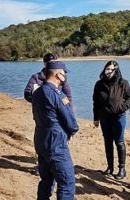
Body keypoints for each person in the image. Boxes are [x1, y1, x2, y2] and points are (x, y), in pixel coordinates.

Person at [32, 61, 79, 200]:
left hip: (41, 138)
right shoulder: (56, 93)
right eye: (64, 73)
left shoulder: (38, 91)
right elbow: (69, 120)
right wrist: (73, 130)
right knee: (67, 183)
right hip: (55, 141)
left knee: (46, 180)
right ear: (58, 75)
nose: (65, 76)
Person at [24, 53, 73, 175]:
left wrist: (69, 112)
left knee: (61, 141)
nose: (50, 63)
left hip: (60, 115)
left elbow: (68, 95)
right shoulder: (36, 77)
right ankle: (40, 166)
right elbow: (27, 94)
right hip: (42, 116)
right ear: (44, 63)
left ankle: (59, 166)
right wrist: (40, 99)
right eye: (48, 61)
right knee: (42, 140)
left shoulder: (61, 77)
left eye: (53, 61)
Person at [92, 60, 130, 179]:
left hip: (119, 117)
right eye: (107, 69)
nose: (108, 71)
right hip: (104, 117)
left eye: (111, 69)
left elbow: (129, 98)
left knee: (119, 142)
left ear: (116, 70)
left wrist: (122, 108)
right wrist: (96, 118)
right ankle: (110, 167)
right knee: (107, 141)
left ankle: (122, 169)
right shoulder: (99, 84)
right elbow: (96, 102)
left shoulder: (123, 83)